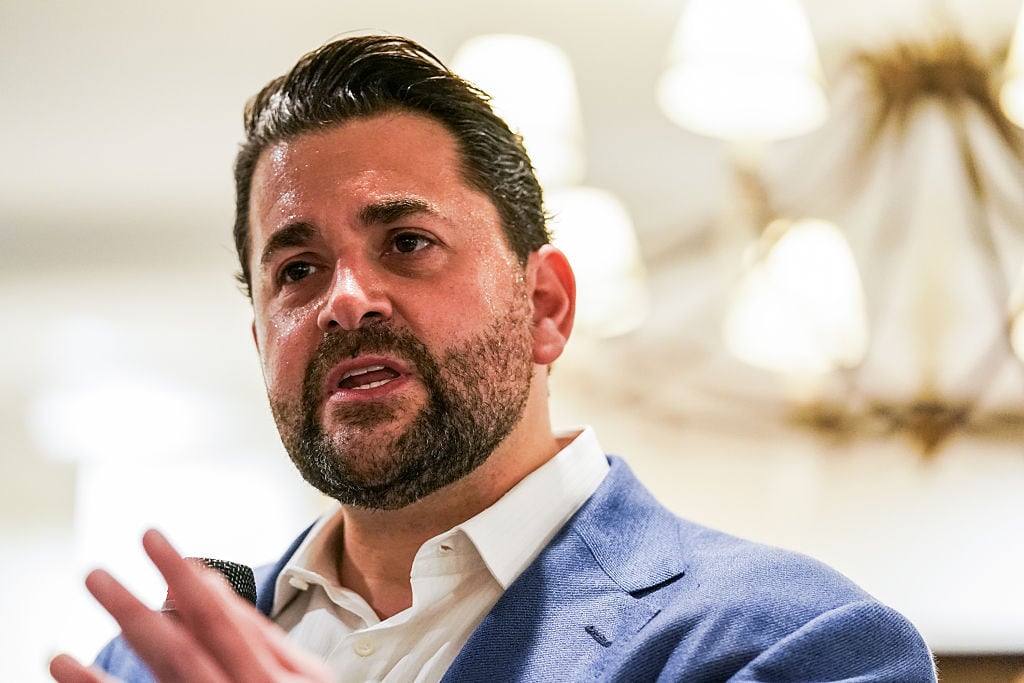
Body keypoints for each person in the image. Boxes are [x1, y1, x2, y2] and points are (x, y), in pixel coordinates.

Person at [49, 35, 937, 683]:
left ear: (544, 305)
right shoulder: (150, 664)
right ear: (261, 342)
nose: (344, 300)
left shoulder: (798, 644)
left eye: (405, 240)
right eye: (297, 269)